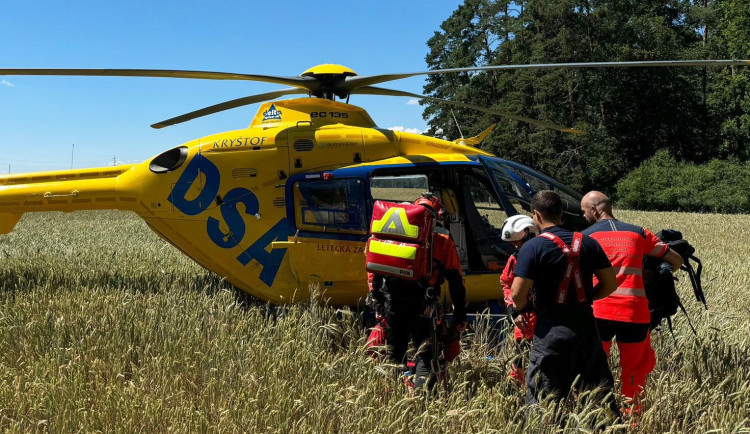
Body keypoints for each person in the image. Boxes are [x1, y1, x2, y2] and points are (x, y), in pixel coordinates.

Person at [510, 190, 618, 411]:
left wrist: (520, 308)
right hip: (586, 326)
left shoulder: (533, 247)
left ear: (537, 215)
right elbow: (610, 284)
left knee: (544, 399)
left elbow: (517, 295)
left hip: (550, 330)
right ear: (561, 213)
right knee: (597, 398)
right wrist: (588, 297)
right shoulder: (588, 242)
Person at [580, 191, 683, 412]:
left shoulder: (585, 236)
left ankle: (595, 414)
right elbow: (676, 260)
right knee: (635, 371)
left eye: (584, 211)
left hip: (600, 312)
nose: (583, 215)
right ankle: (633, 418)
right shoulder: (638, 233)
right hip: (635, 314)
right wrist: (650, 273)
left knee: (595, 366)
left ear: (595, 210)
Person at [368, 193, 467, 391]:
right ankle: (424, 401)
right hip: (424, 307)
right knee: (426, 356)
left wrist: (378, 302)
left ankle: (392, 398)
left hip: (392, 305)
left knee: (395, 355)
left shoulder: (384, 239)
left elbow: (374, 274)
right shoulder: (442, 241)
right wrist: (459, 316)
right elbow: (456, 283)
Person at [499, 214, 538, 383]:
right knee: (519, 358)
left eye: (517, 242)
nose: (515, 246)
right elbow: (506, 283)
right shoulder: (514, 259)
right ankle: (515, 390)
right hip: (525, 317)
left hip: (547, 316)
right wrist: (513, 310)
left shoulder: (548, 254)